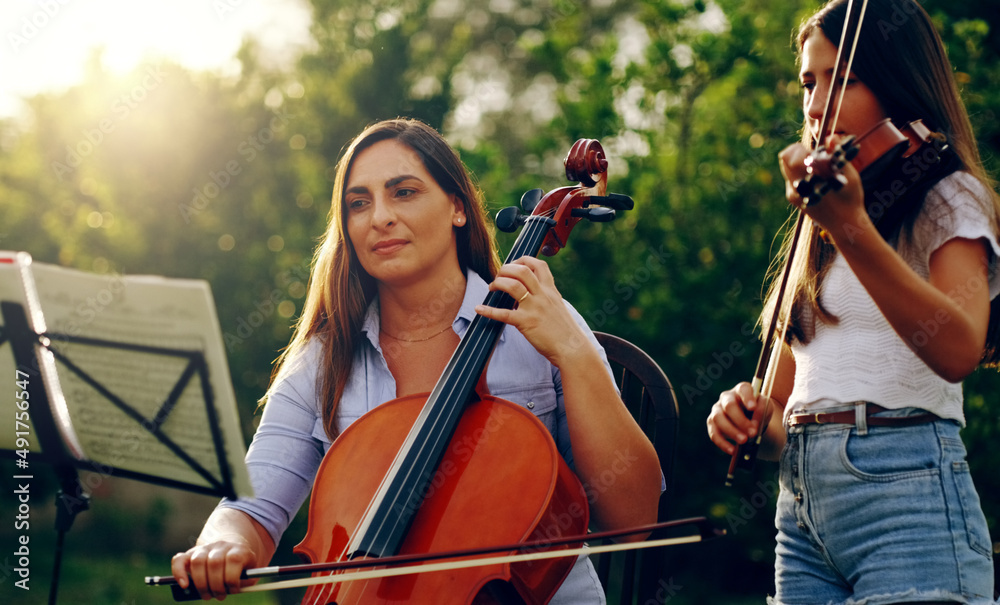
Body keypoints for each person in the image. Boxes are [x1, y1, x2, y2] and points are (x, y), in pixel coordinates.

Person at [170, 118, 662, 602]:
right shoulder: (322, 359)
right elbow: (251, 506)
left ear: (457, 208)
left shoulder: (543, 325)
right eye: (358, 203)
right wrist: (225, 542)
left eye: (403, 192)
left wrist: (576, 354)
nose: (379, 216)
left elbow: (634, 521)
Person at [706, 0, 999, 603]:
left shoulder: (945, 194)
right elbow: (785, 407)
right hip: (803, 509)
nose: (815, 106)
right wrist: (746, 415)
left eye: (844, 80)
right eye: (808, 83)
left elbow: (958, 347)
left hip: (907, 494)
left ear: (898, 82)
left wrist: (852, 228)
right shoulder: (822, 222)